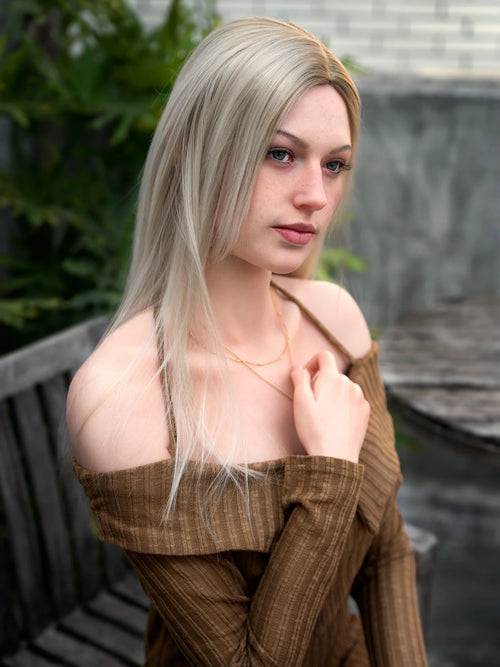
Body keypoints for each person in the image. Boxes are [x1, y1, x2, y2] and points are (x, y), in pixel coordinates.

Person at [67, 17, 427, 666]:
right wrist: (329, 473)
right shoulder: (123, 398)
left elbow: (386, 555)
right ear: (190, 151)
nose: (315, 196)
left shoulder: (334, 321)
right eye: (280, 153)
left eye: (334, 164)